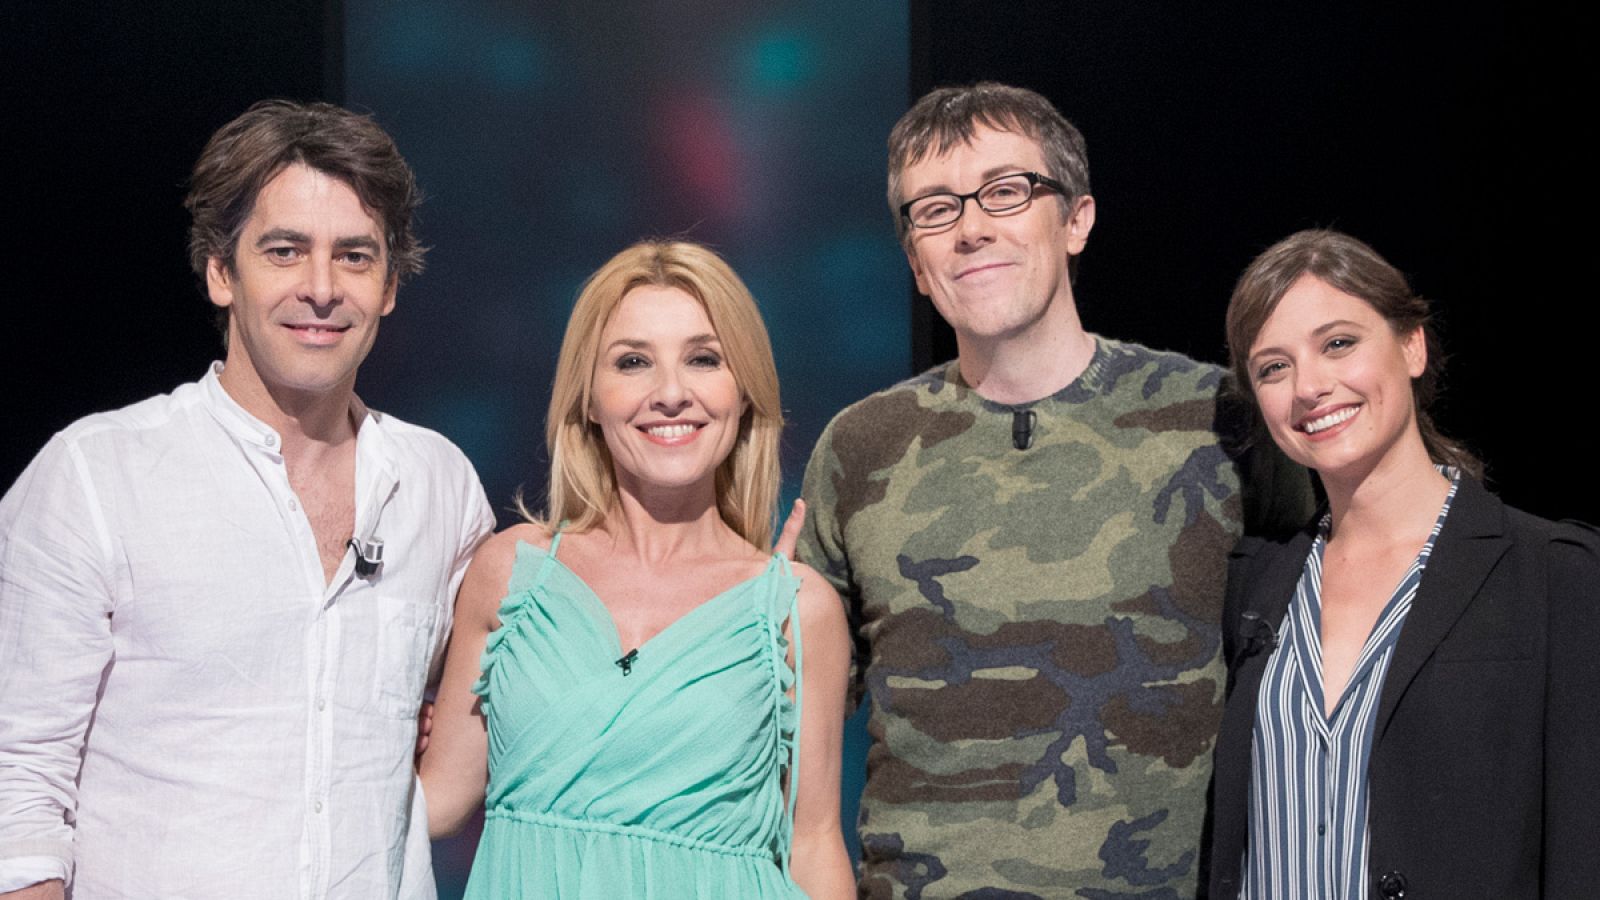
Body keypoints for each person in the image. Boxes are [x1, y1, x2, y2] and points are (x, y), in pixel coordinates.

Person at [797, 82, 1311, 897]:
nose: (971, 228)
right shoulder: (859, 449)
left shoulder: (1216, 423)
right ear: (916, 263)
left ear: (1076, 219)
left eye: (1005, 191)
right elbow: (796, 746)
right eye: (935, 209)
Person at [0, 100, 494, 899]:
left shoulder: (440, 485)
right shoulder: (95, 476)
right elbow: (16, 787)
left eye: (356, 257)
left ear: (392, 284)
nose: (323, 289)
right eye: (285, 251)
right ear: (221, 272)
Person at [419, 240, 854, 899]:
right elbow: (438, 802)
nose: (671, 393)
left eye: (704, 359)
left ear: (742, 396)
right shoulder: (511, 572)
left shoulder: (798, 607)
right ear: (590, 399)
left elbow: (813, 844)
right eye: (633, 362)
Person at [1208, 229, 1600, 899]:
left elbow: (1581, 848)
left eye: (1338, 344)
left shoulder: (1555, 575)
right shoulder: (1256, 582)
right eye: (1274, 367)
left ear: (1411, 345)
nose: (1309, 387)